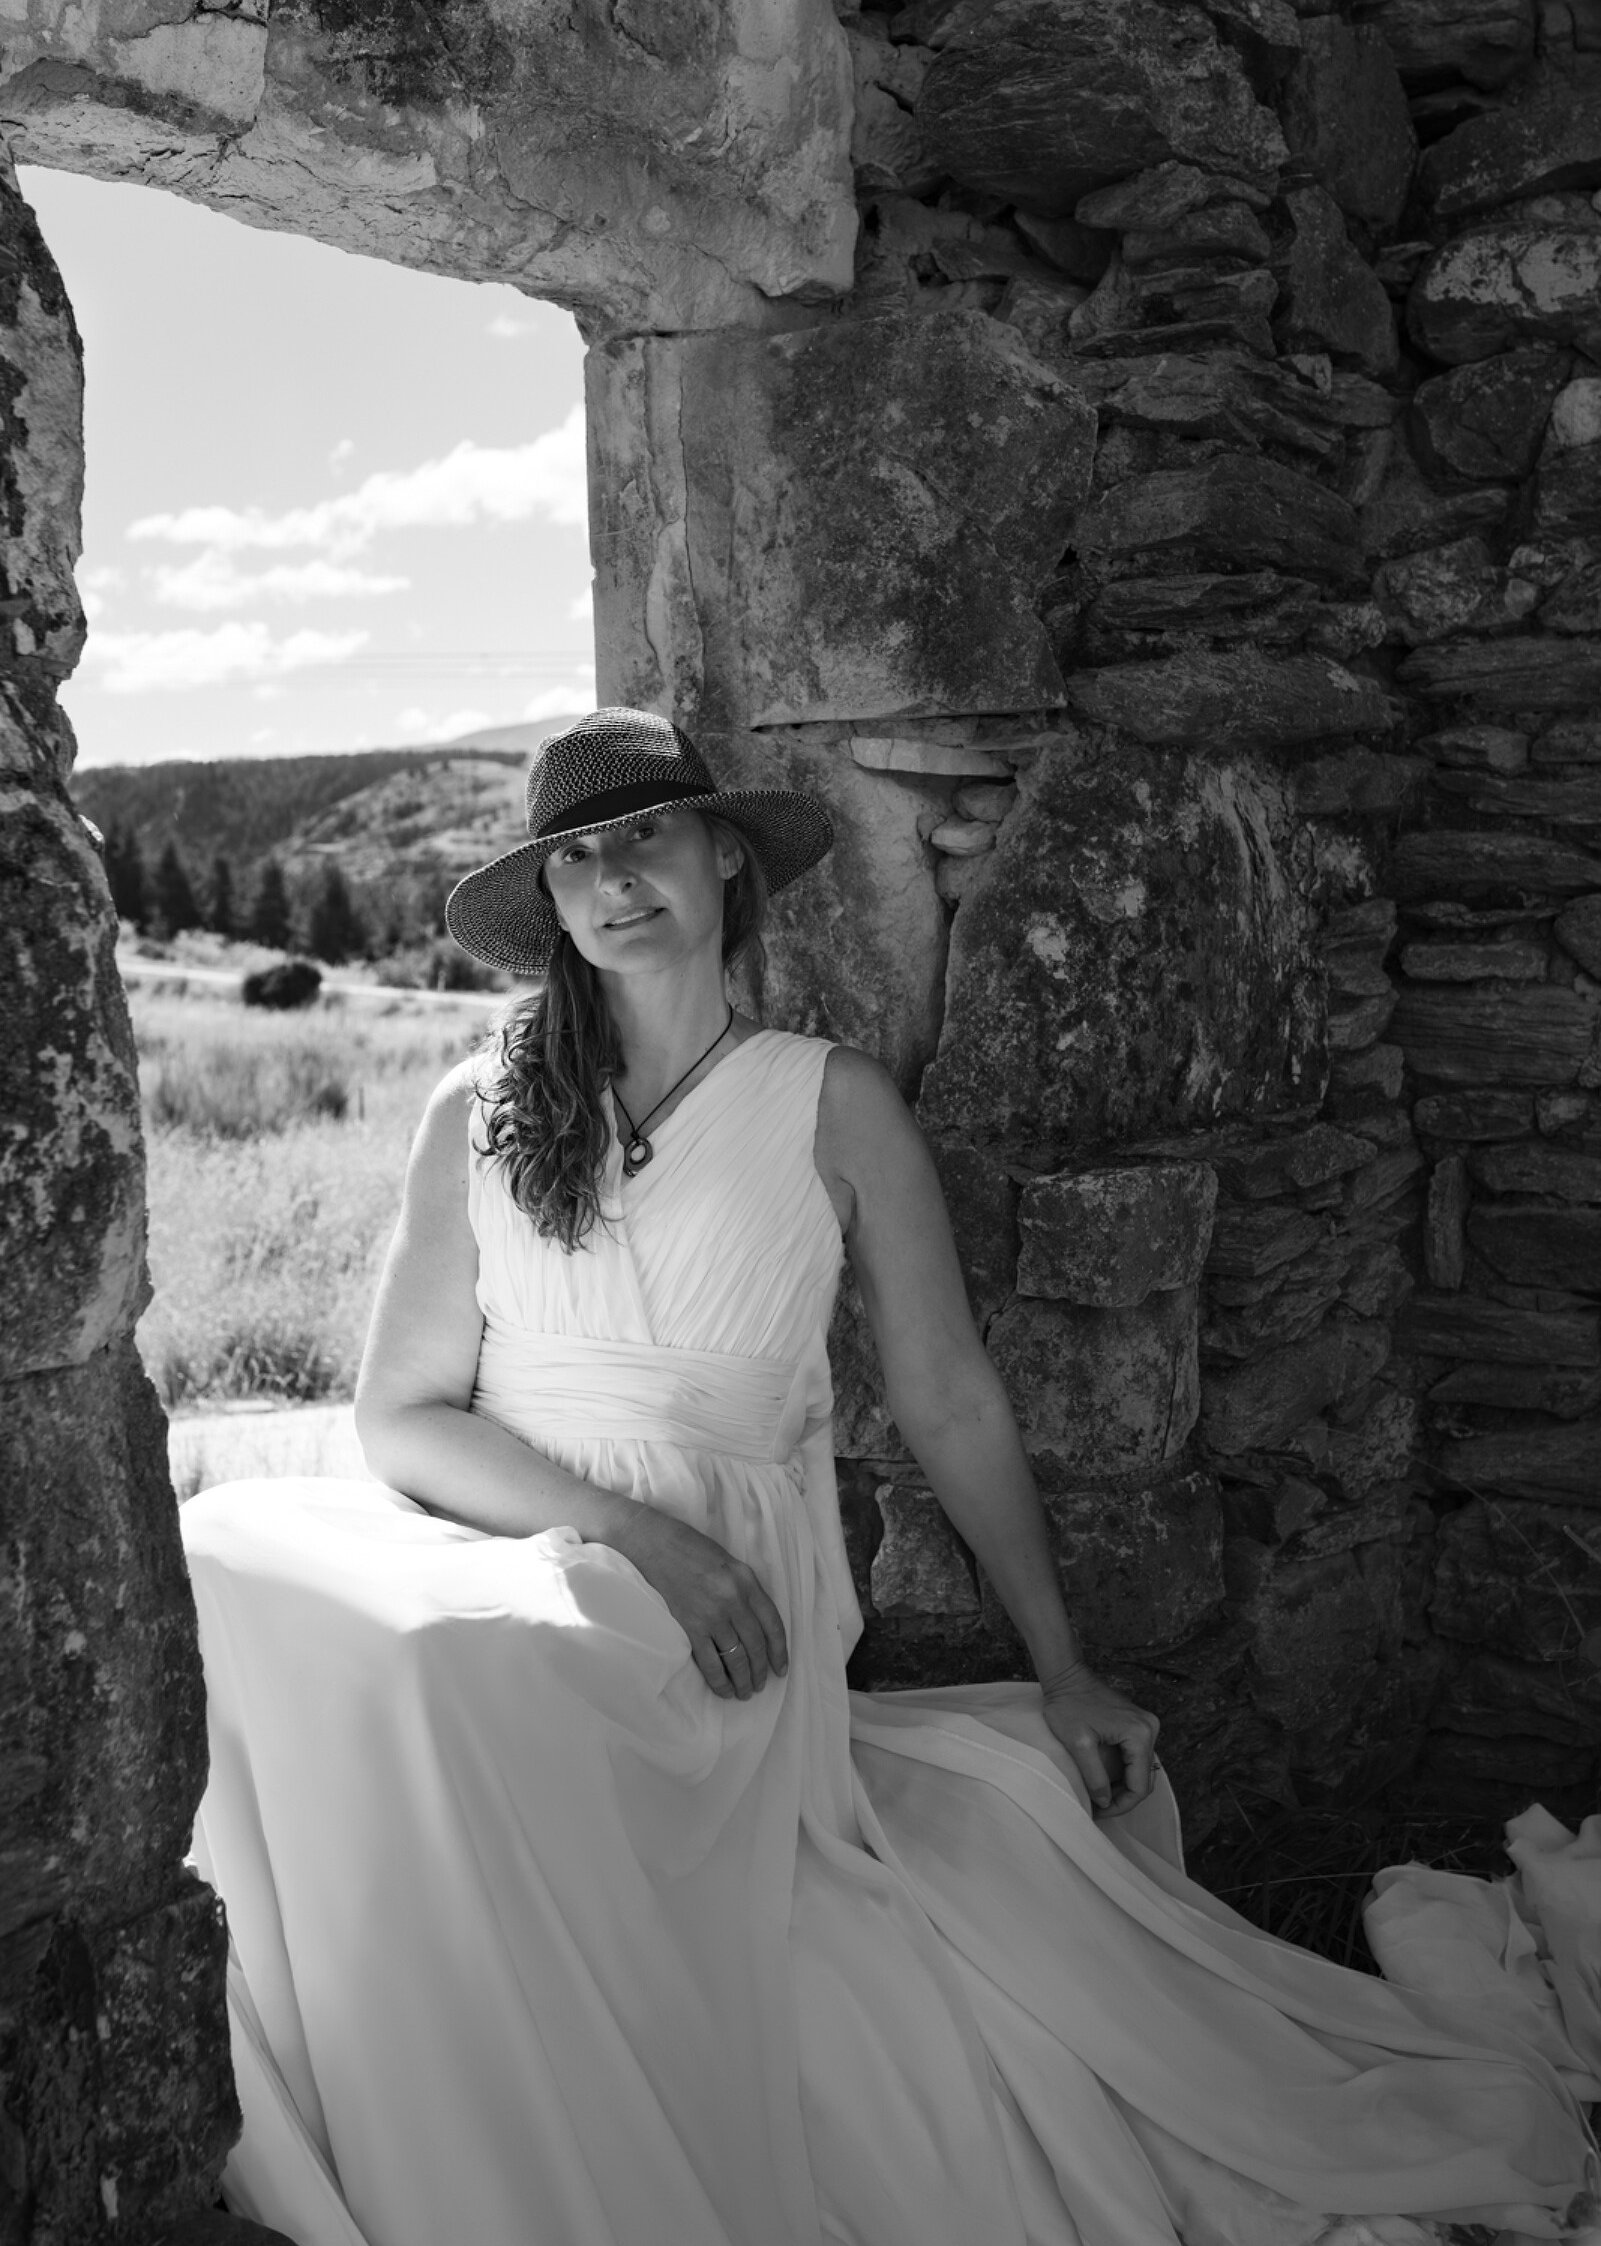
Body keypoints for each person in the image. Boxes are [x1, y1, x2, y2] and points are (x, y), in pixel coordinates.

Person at [182, 708, 1599, 2246]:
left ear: (726, 855)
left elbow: (949, 1398)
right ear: (551, 903)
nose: (613, 879)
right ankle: (418, 2118)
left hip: (730, 1585)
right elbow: (399, 1417)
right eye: (574, 860)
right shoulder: (481, 1107)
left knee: (468, 1674)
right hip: (534, 1529)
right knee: (244, 1561)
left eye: (644, 836)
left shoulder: (832, 1100)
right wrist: (632, 1536)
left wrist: (1062, 1665)